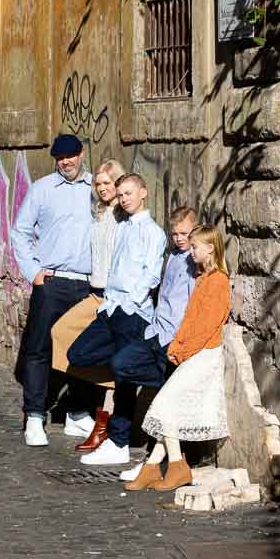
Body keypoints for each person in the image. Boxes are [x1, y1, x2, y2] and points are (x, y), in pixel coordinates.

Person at [66, 172, 166, 466]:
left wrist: (131, 300)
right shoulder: (121, 226)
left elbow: (151, 274)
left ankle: (118, 441)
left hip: (133, 311)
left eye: (128, 193)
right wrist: (110, 301)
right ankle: (135, 364)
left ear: (143, 193)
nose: (123, 199)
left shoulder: (153, 232)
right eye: (120, 194)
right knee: (78, 354)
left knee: (124, 380)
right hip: (111, 308)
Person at [10, 133, 95, 447]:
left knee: (84, 350)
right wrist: (34, 273)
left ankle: (77, 413)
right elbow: (19, 232)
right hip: (52, 281)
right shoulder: (43, 189)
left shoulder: (96, 190)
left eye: (71, 155)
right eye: (61, 157)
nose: (66, 162)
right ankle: (34, 415)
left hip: (86, 283)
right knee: (39, 348)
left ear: (81, 154)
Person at [133, 223, 231, 492]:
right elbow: (189, 319)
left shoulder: (219, 281)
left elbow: (206, 326)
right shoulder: (203, 279)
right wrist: (177, 344)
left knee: (165, 404)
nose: (191, 252)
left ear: (210, 248)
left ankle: (176, 466)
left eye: (196, 246)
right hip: (193, 353)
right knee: (169, 408)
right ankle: (154, 468)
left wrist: (181, 349)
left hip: (204, 355)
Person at [112, 205, 198, 485]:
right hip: (156, 334)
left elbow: (193, 308)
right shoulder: (173, 255)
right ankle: (162, 461)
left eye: (184, 233)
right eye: (174, 233)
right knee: (121, 365)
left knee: (165, 405)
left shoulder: (195, 262)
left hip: (174, 340)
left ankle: (160, 462)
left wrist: (182, 343)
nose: (179, 238)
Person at [50, 160, 125, 452]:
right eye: (99, 183)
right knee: (60, 333)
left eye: (109, 183)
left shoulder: (123, 216)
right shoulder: (99, 213)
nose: (103, 188)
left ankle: (100, 419)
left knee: (108, 354)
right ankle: (84, 409)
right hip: (95, 293)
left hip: (114, 296)